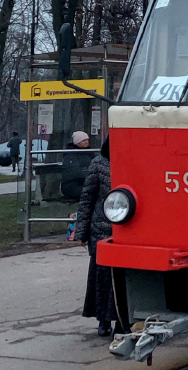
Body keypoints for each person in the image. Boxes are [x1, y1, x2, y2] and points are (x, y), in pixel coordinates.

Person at [74, 137, 117, 336]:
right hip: (102, 229)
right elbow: (87, 198)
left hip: (122, 229)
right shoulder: (99, 163)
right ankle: (104, 320)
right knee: (102, 279)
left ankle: (121, 320)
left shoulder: (134, 160)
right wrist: (81, 231)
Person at [61, 131, 94, 200]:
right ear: (77, 142)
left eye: (87, 140)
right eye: (84, 140)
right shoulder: (70, 154)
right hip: (72, 185)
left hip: (86, 182)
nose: (87, 142)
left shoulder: (89, 152)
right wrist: (90, 177)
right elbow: (75, 171)